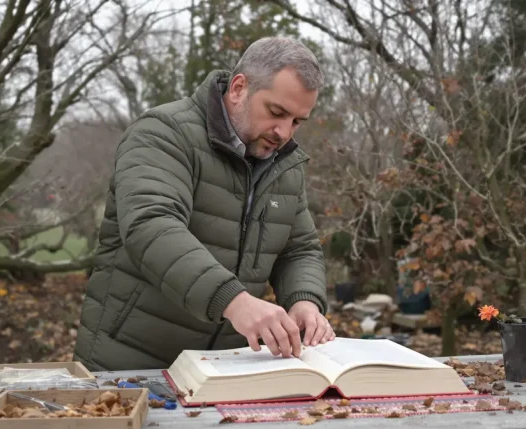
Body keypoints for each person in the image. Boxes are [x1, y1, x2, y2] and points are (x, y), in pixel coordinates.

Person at [73, 36, 335, 371]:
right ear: (239, 88)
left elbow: (299, 249)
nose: (284, 132)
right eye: (277, 112)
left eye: (297, 121)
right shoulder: (163, 133)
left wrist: (304, 301)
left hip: (222, 369)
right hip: (131, 364)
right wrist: (235, 302)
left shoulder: (283, 163)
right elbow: (151, 226)